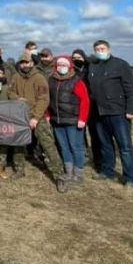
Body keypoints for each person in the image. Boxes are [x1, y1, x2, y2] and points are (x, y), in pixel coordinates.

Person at [10, 52, 69, 192]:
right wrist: (17, 98)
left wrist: (36, 118)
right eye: (22, 62)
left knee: (48, 145)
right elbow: (10, 92)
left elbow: (44, 99)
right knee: (18, 144)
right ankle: (19, 169)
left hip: (37, 116)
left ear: (32, 63)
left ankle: (59, 176)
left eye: (27, 62)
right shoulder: (16, 77)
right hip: (20, 116)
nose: (25, 65)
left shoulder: (39, 78)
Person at [86, 40, 133, 189]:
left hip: (118, 112)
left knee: (125, 147)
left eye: (102, 48)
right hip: (99, 112)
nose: (100, 51)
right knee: (105, 145)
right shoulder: (93, 66)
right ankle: (107, 171)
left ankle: (130, 178)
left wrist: (131, 109)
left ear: (109, 49)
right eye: (97, 49)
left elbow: (131, 89)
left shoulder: (120, 65)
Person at [47, 55, 90, 190]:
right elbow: (48, 99)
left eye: (64, 65)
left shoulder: (76, 81)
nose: (61, 67)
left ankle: (78, 173)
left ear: (70, 66)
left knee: (75, 146)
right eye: (59, 65)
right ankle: (69, 171)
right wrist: (48, 115)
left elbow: (85, 101)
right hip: (57, 120)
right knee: (64, 147)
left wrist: (82, 119)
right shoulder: (51, 80)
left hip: (73, 120)